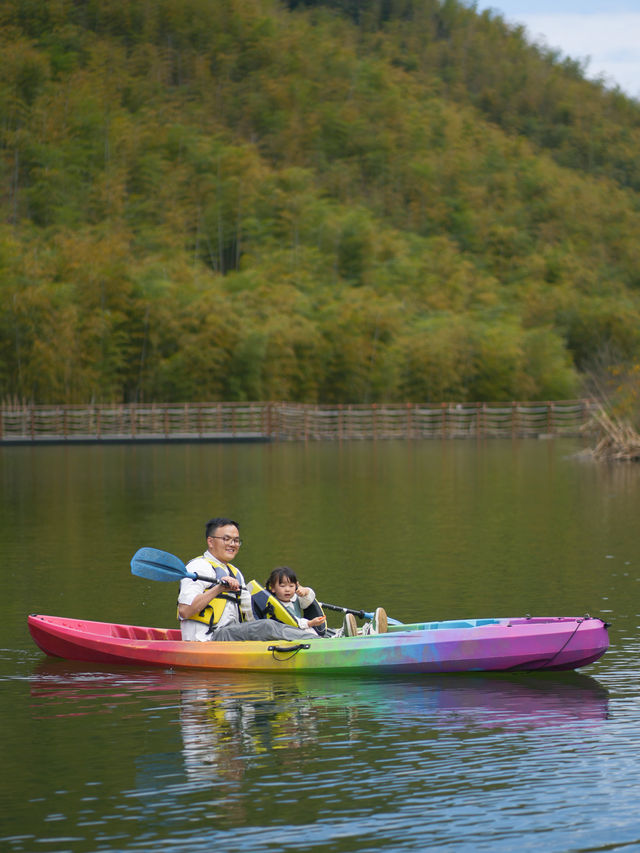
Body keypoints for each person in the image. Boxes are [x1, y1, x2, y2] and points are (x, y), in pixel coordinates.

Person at [177, 518, 319, 642]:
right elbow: (185, 611)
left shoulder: (235, 572)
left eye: (236, 541)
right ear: (211, 541)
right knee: (267, 626)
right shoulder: (198, 566)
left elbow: (249, 615)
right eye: (226, 539)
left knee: (267, 624)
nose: (232, 544)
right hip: (207, 637)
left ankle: (312, 637)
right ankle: (317, 643)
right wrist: (218, 588)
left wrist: (263, 629)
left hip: (232, 634)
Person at [264, 566, 388, 637]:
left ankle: (366, 632)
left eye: (291, 586)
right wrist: (310, 623)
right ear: (273, 588)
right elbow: (290, 620)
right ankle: (351, 634)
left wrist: (305, 591)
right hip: (295, 634)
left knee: (326, 633)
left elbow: (309, 600)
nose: (287, 590)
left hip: (307, 630)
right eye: (283, 586)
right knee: (322, 637)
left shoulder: (294, 598)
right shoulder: (274, 604)